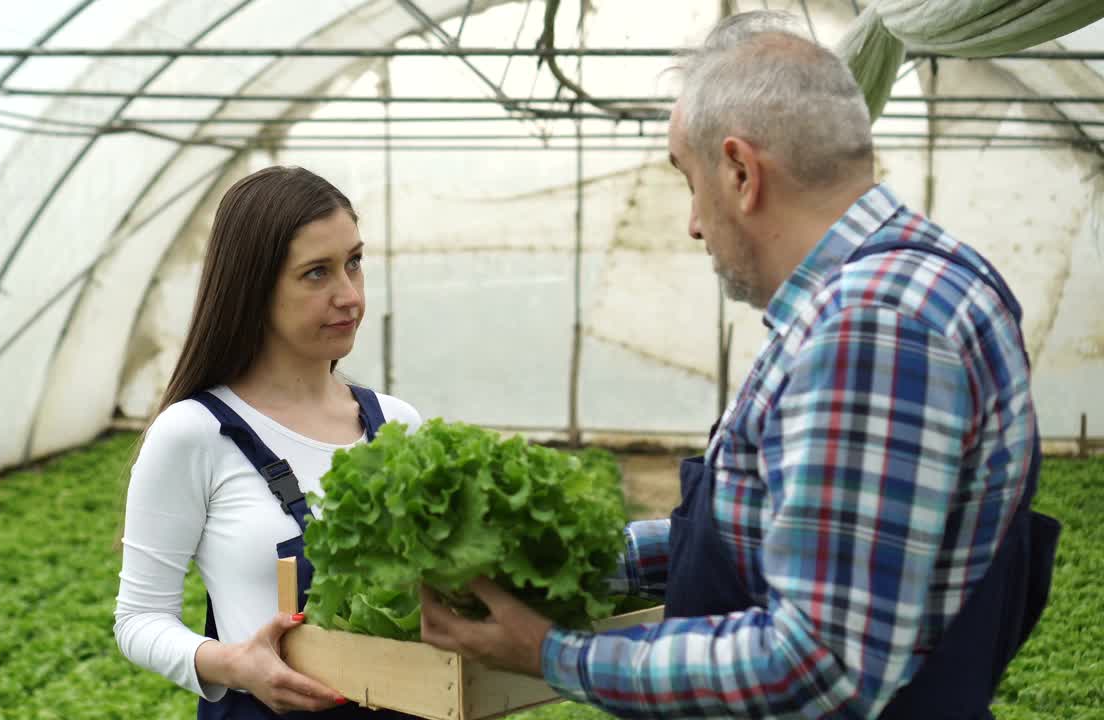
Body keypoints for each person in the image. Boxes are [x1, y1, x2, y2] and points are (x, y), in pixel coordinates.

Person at [418, 11, 1059, 719]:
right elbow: (774, 524)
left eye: (689, 181)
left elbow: (817, 665)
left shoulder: (873, 325)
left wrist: (550, 653)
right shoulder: (905, 284)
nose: (693, 221)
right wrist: (572, 561)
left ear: (741, 172)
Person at [113, 166, 423, 720]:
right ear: (253, 287)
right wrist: (235, 664)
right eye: (315, 274)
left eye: (354, 262)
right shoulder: (194, 432)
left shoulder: (398, 425)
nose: (349, 295)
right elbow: (138, 620)